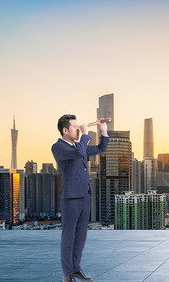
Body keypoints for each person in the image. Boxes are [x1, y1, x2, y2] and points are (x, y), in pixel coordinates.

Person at [52, 114, 109, 282]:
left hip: (85, 196)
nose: (77, 129)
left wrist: (104, 132)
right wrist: (85, 135)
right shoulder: (58, 147)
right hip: (71, 198)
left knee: (81, 235)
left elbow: (99, 149)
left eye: (78, 126)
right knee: (68, 236)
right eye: (74, 126)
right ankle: (67, 274)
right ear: (65, 130)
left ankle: (76, 269)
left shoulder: (79, 146)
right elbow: (77, 153)